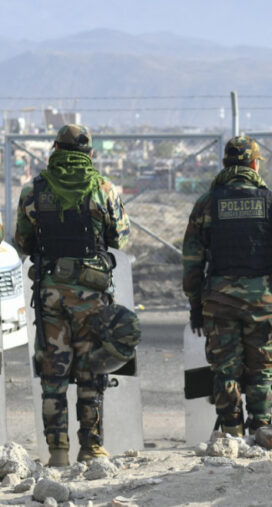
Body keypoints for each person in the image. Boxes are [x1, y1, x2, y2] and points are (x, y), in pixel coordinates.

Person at [15, 124, 131, 466]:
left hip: (51, 293)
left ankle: (58, 451)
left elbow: (23, 242)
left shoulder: (33, 191)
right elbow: (121, 238)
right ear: (89, 153)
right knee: (90, 370)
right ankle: (92, 446)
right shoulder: (103, 189)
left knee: (53, 371)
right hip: (92, 295)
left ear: (55, 150)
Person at [183, 136, 272, 437]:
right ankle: (262, 430)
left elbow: (192, 262)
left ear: (225, 164)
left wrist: (195, 306)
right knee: (262, 371)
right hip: (263, 303)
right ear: (254, 164)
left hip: (219, 302)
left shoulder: (206, 204)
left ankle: (231, 434)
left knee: (225, 371)